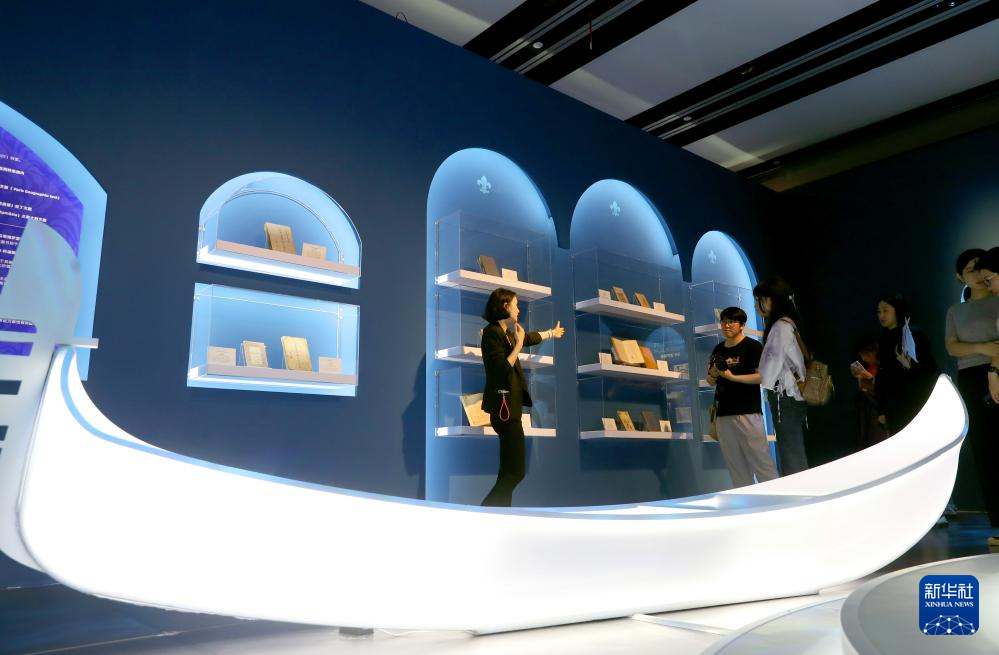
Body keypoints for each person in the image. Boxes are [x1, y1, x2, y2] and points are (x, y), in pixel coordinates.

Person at [479, 288, 564, 507]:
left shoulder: (505, 332)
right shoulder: (492, 333)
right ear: (505, 306)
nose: (519, 309)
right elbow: (500, 370)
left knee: (508, 473)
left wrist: (550, 333)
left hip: (511, 409)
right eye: (516, 305)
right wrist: (517, 345)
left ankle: (499, 515)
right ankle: (483, 514)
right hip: (504, 411)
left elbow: (527, 338)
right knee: (515, 473)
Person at [949, 248, 999, 547]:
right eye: (971, 269)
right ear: (960, 276)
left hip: (995, 370)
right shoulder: (956, 311)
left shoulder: (997, 299)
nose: (979, 275)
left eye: (982, 268)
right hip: (971, 377)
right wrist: (983, 348)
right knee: (985, 450)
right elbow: (952, 347)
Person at [706, 306, 778, 487]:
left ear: (742, 325)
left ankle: (775, 497)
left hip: (748, 411)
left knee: (761, 461)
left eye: (731, 322)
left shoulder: (753, 346)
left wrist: (733, 377)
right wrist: (713, 374)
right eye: (724, 321)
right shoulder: (718, 349)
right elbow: (710, 380)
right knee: (735, 466)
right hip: (723, 414)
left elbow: (762, 377)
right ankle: (746, 501)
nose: (726, 325)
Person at [753, 277, 809, 475]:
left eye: (758, 299)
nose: (756, 305)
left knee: (791, 454)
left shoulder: (779, 327)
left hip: (784, 397)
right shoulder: (790, 323)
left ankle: (798, 492)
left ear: (770, 299)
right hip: (794, 396)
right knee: (793, 451)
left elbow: (770, 367)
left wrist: (754, 378)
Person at [874, 294, 938, 436]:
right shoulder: (884, 338)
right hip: (894, 403)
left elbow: (930, 368)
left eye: (885, 310)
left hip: (914, 399)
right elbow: (883, 374)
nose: (881, 315)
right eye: (879, 312)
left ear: (897, 309)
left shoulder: (914, 334)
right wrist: (882, 409)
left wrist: (910, 366)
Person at [850, 337, 888, 449]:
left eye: (865, 355)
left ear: (873, 352)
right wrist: (860, 378)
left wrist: (868, 376)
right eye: (862, 356)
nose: (864, 359)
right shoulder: (870, 367)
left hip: (880, 410)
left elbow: (884, 388)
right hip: (868, 409)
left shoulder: (885, 366)